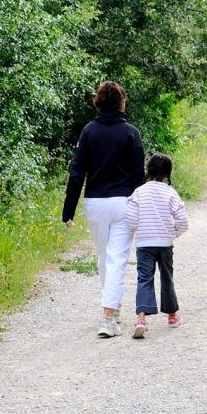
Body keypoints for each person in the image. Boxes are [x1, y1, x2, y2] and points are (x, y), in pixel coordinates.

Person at [63, 81, 145, 338]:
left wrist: (69, 209)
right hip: (123, 203)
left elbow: (77, 172)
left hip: (95, 203)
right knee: (116, 259)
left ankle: (112, 311)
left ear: (98, 101)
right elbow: (138, 178)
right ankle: (109, 318)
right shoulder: (131, 133)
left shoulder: (89, 131)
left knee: (104, 258)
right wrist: (141, 209)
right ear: (122, 102)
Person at [124, 153, 188, 339]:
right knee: (167, 276)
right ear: (168, 173)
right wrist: (173, 233)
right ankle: (172, 315)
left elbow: (130, 219)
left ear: (148, 170)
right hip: (165, 242)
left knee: (144, 277)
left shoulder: (139, 192)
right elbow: (183, 220)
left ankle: (141, 319)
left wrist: (138, 231)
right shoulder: (170, 193)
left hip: (145, 243)